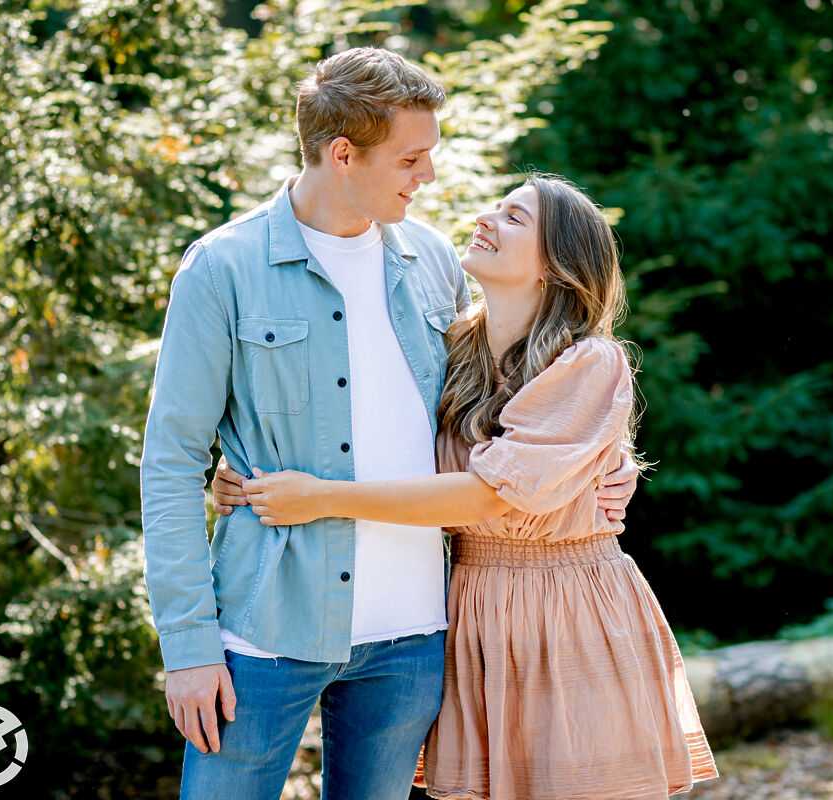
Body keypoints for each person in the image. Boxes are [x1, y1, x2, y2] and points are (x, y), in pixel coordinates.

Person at [140, 49, 636, 799]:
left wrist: (608, 465)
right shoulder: (223, 268)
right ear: (343, 154)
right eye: (412, 158)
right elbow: (170, 461)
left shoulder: (434, 261)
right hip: (263, 631)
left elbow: (518, 399)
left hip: (412, 637)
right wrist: (187, 646)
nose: (428, 176)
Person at [213, 173, 718, 800]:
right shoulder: (453, 345)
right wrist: (245, 466)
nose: (486, 218)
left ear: (554, 266)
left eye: (514, 218)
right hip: (471, 604)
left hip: (566, 606)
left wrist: (315, 498)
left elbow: (486, 494)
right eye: (497, 207)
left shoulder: (590, 360)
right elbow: (372, 428)